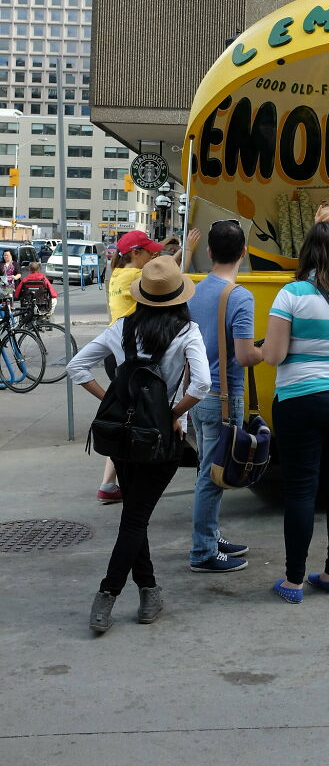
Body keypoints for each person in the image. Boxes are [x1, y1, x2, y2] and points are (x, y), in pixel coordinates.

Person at [66, 256, 211, 634]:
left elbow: (77, 367)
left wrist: (112, 403)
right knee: (135, 518)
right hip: (161, 442)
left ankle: (149, 590)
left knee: (134, 516)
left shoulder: (122, 328)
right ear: (178, 297)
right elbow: (202, 386)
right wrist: (170, 413)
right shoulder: (187, 332)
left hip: (123, 439)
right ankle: (108, 594)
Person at [261, 221, 329, 603]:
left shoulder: (291, 294)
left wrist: (259, 349)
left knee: (301, 488)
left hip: (300, 398)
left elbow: (274, 356)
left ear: (306, 251)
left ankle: (293, 582)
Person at [187, 219, 263, 573]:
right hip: (223, 397)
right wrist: (271, 349)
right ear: (244, 253)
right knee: (211, 476)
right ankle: (202, 552)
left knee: (208, 470)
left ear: (209, 252)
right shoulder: (239, 296)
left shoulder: (195, 290)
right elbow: (246, 356)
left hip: (198, 394)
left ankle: (210, 534)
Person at [95, 229, 165, 505]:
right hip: (129, 354)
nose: (154, 256)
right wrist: (187, 252)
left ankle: (108, 484)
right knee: (134, 422)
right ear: (135, 253)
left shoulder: (117, 275)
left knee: (128, 418)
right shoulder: (136, 276)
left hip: (116, 351)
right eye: (150, 252)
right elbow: (169, 278)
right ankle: (128, 481)